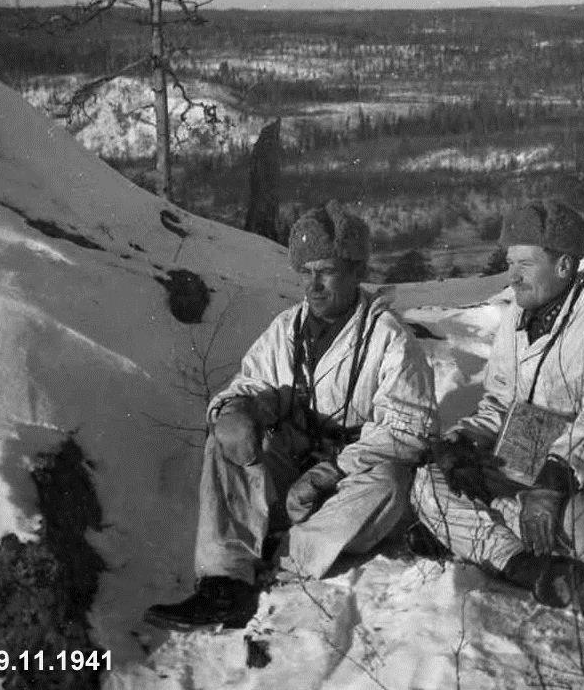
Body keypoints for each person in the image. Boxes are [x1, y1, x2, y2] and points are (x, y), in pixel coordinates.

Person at [145, 201, 437, 630]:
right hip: (288, 474)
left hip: (345, 485)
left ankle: (281, 558)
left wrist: (327, 473)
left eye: (327, 271)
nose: (313, 285)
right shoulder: (286, 328)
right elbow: (251, 384)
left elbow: (409, 430)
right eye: (305, 272)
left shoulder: (390, 338)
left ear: (356, 272)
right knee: (227, 436)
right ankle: (225, 583)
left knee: (390, 483)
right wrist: (237, 411)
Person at [412, 200, 584, 607]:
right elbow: (499, 402)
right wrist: (462, 443)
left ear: (564, 265)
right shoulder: (519, 314)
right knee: (428, 479)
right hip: (531, 444)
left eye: (525, 264)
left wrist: (553, 482)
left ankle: (468, 531)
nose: (512, 277)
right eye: (510, 263)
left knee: (575, 529)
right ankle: (525, 566)